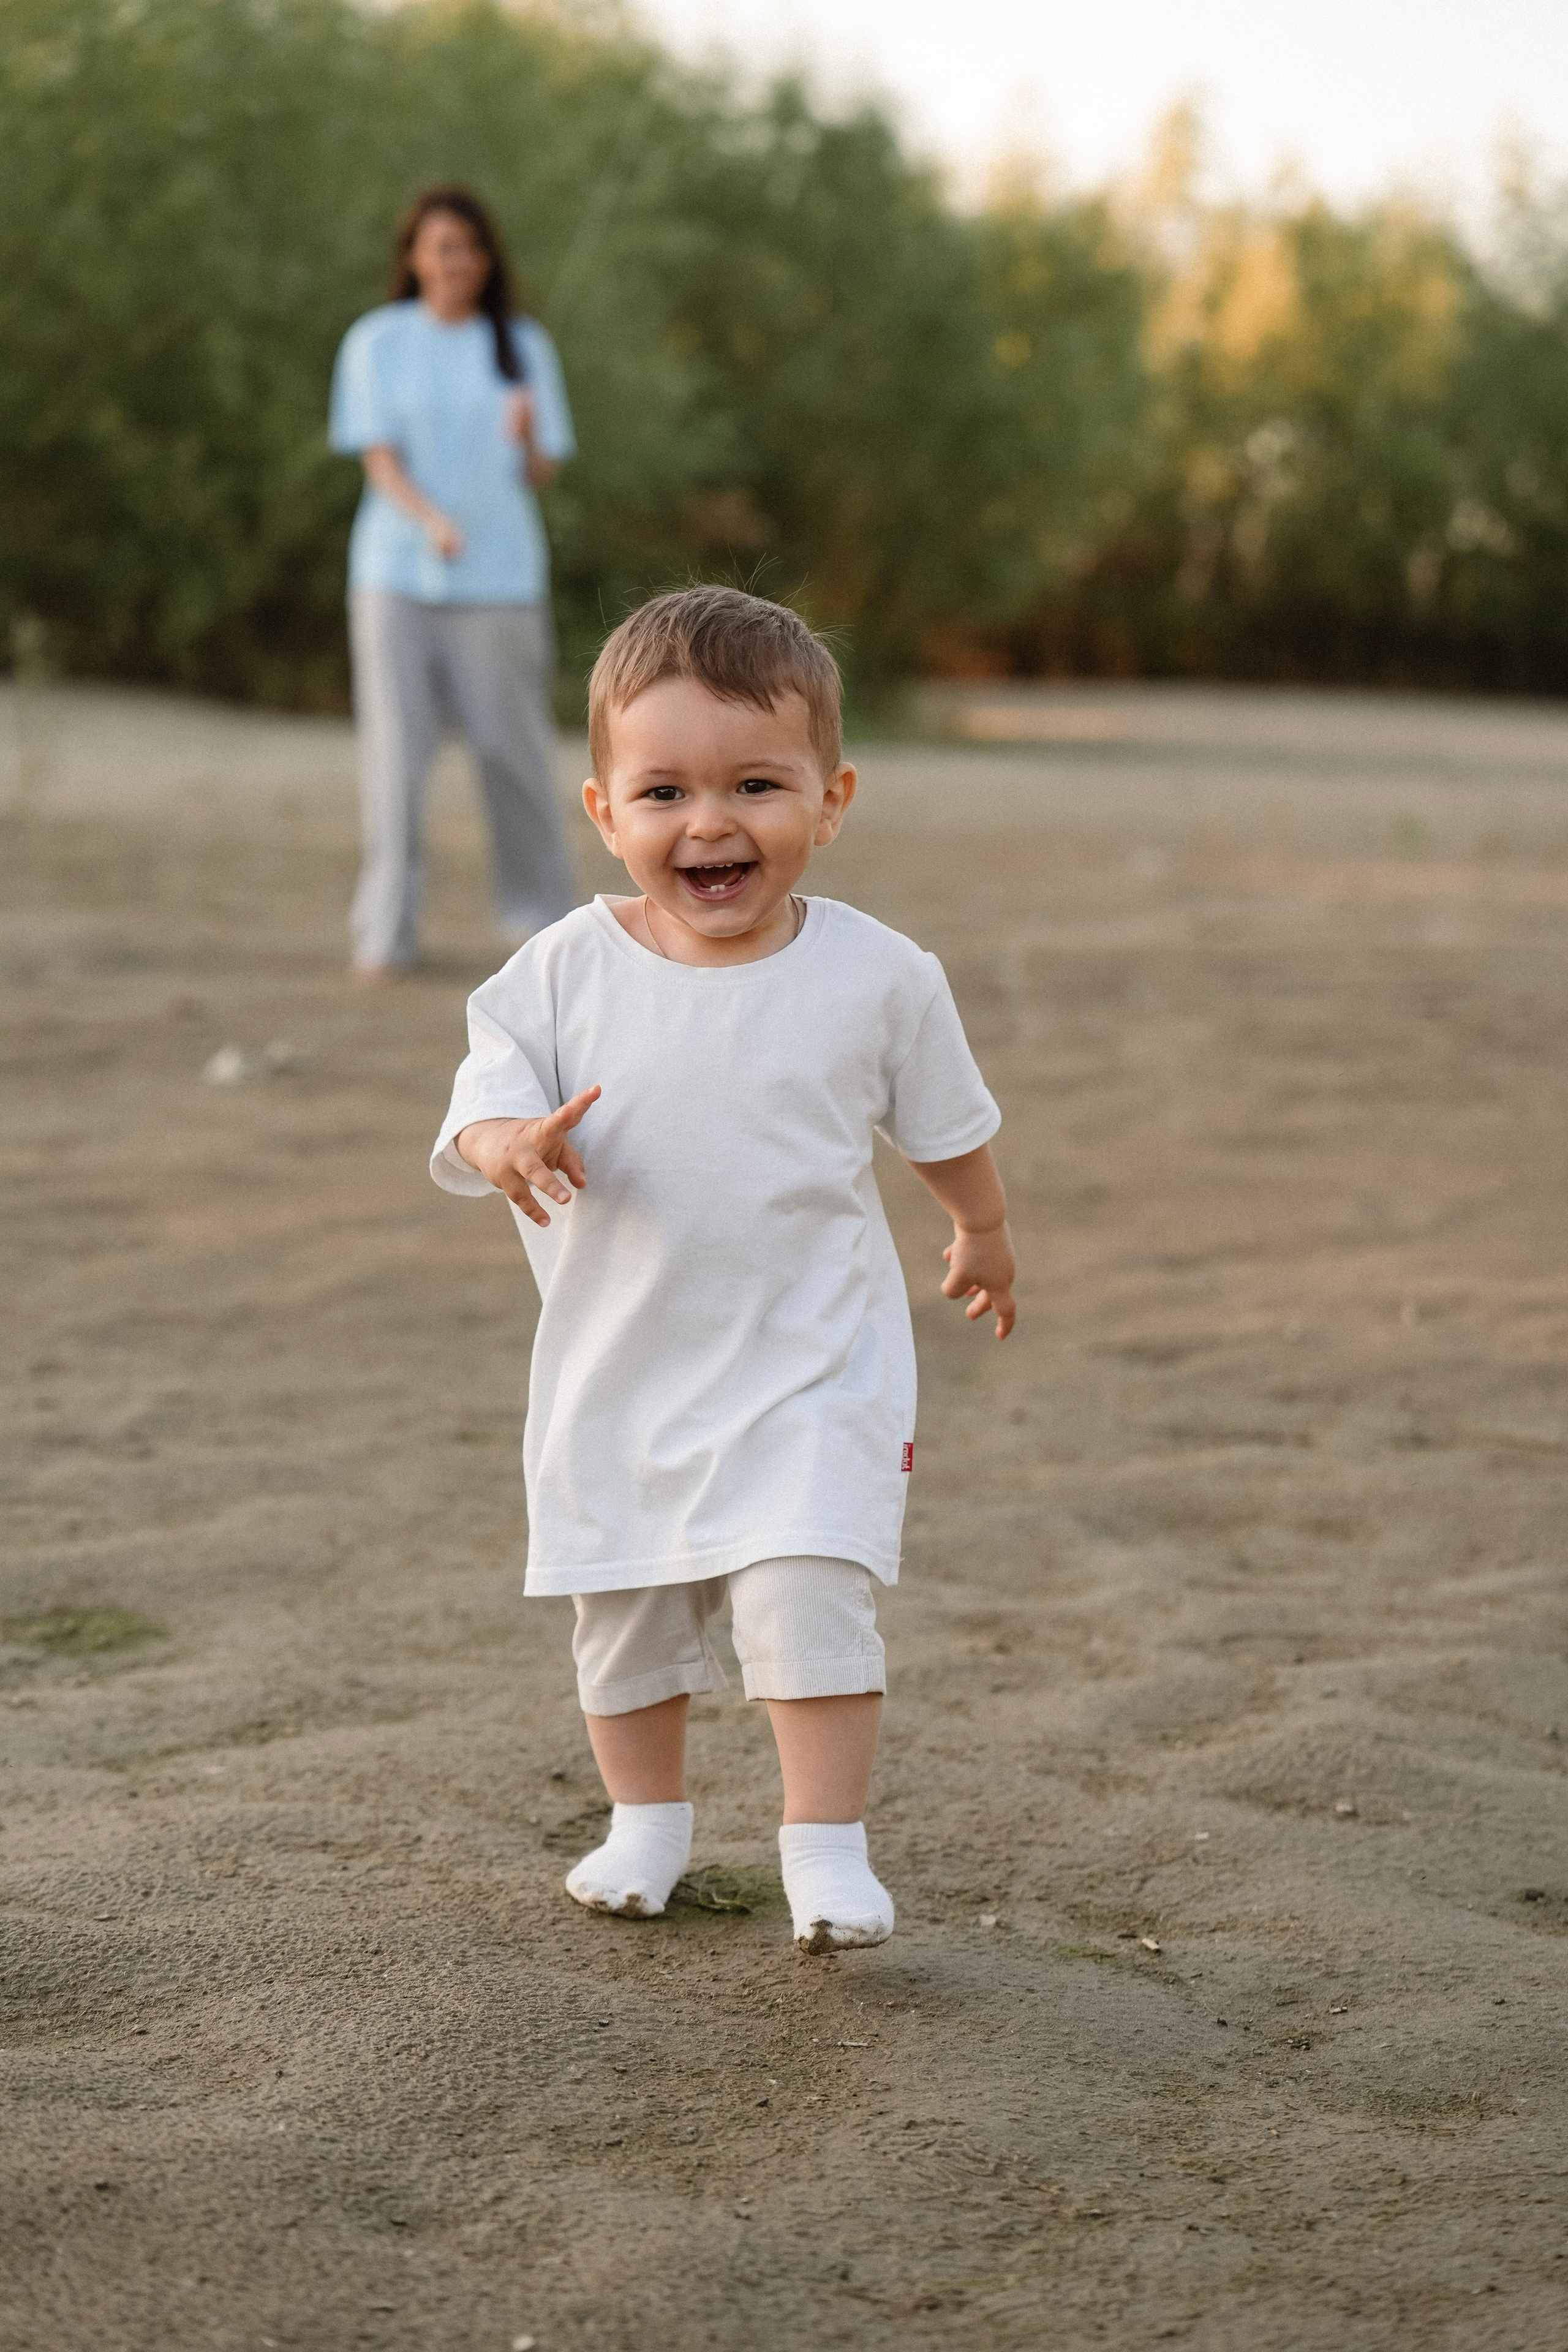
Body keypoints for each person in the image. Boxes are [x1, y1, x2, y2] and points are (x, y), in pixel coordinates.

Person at [430, 586, 1016, 1954]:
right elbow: (477, 1099)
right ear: (602, 811)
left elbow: (945, 1127)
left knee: (807, 1592)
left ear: (829, 799)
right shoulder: (560, 973)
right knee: (622, 1610)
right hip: (619, 1366)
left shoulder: (878, 976)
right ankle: (647, 1824)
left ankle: (823, 1849)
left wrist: (980, 1230)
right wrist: (510, 1139)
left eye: (756, 783)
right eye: (664, 791)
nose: (708, 823)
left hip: (812, 1365)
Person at [329, 185, 578, 978]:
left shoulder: (522, 346)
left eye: (468, 248)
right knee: (397, 758)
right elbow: (377, 457)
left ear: (487, 259)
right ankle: (385, 930)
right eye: (440, 247)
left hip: (500, 580)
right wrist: (429, 519)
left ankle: (541, 920)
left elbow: (540, 471)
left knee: (511, 752)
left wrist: (530, 432)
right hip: (397, 577)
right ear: (413, 257)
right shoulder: (377, 341)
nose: (455, 263)